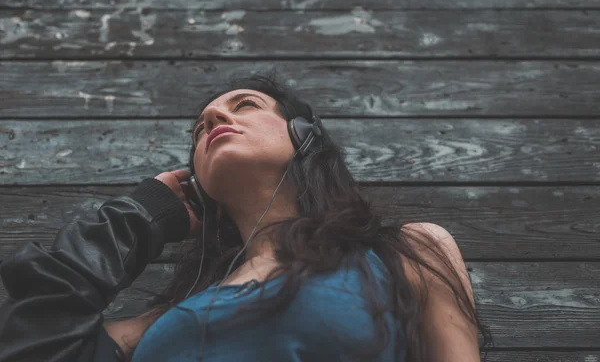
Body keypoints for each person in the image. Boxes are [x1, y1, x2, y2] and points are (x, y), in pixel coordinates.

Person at [0, 70, 492, 361]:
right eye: (200, 127)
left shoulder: (409, 252)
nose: (214, 119)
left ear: (304, 135)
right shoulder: (166, 319)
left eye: (246, 105)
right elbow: (34, 344)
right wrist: (137, 217)